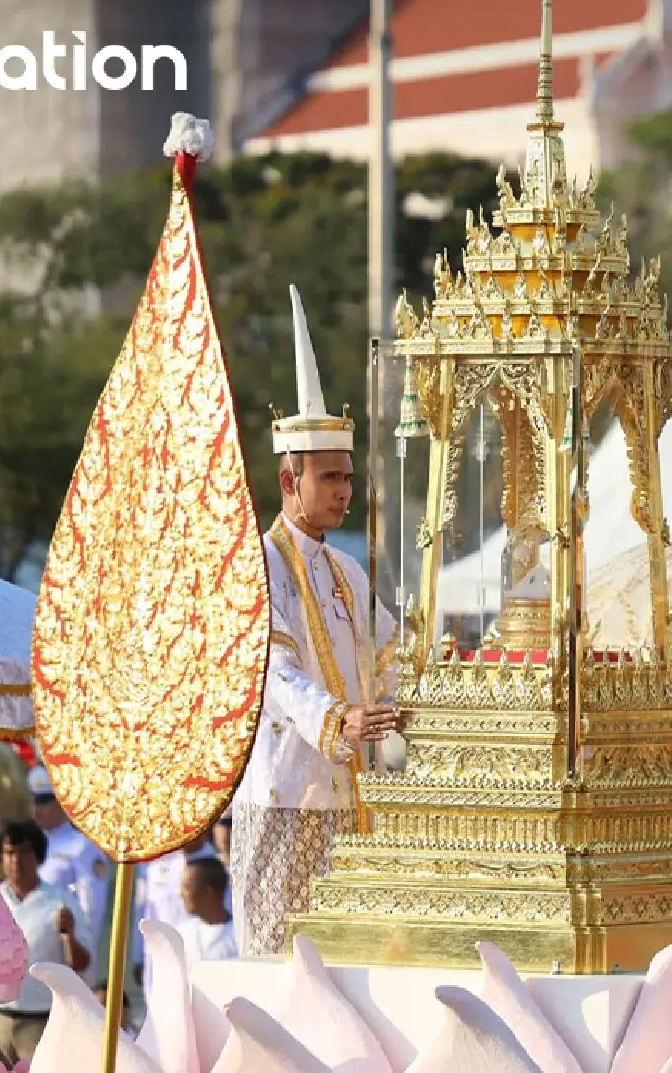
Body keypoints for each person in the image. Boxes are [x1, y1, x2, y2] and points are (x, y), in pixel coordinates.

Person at [231, 287, 403, 956]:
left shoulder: (347, 571)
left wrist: (415, 693)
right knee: (275, 960)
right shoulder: (262, 563)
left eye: (348, 479)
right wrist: (337, 718)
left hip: (346, 801)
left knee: (340, 962)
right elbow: (275, 672)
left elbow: (391, 657)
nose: (343, 491)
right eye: (329, 477)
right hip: (282, 796)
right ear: (288, 479)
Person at [0, 820, 90, 1066]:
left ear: (38, 857)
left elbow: (82, 963)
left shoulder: (60, 902)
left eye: (24, 852)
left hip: (39, 1022)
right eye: (9, 853)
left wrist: (69, 936)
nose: (16, 861)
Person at [27, 766, 108, 983]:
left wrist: (80, 944)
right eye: (35, 801)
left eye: (45, 801)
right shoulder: (31, 845)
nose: (37, 809)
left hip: (68, 949)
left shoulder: (82, 847)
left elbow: (92, 906)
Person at [177, 856, 238, 962]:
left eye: (187, 887)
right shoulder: (181, 935)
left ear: (208, 893)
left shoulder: (238, 938)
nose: (180, 894)